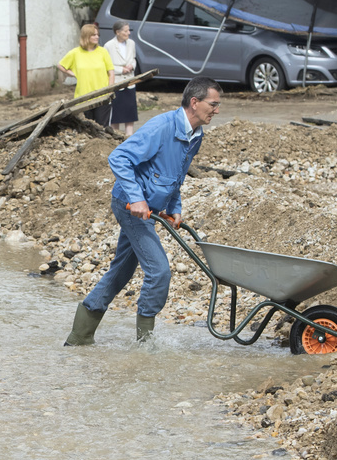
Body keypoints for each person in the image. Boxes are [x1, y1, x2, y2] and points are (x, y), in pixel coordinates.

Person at [64, 77, 222, 347]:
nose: (217, 110)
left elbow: (177, 175)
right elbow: (119, 157)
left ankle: (79, 337)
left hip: (151, 209)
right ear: (194, 102)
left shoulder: (196, 135)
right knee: (159, 271)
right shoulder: (161, 127)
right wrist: (137, 199)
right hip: (130, 206)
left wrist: (174, 207)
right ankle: (145, 344)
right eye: (213, 104)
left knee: (121, 272)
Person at [59, 23, 115, 127]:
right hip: (83, 97)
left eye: (98, 34)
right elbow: (61, 65)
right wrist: (73, 74)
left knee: (102, 128)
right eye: (93, 35)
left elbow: (111, 73)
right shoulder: (75, 53)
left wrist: (109, 91)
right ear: (86, 36)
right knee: (87, 128)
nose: (97, 37)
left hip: (102, 96)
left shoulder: (103, 52)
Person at [103, 21, 139, 135]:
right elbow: (106, 65)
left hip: (129, 82)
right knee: (116, 115)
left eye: (129, 30)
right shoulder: (109, 45)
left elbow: (134, 59)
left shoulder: (131, 43)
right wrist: (120, 70)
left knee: (130, 114)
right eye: (125, 31)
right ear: (117, 32)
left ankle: (129, 136)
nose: (128, 33)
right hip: (117, 83)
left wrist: (131, 66)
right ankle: (116, 137)